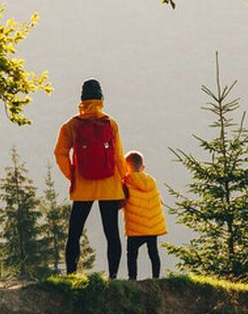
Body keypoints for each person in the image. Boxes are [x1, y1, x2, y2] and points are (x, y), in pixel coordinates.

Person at [55, 78, 127, 277]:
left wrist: (73, 175)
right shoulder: (110, 124)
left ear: (82, 101)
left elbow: (60, 153)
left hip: (83, 186)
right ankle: (112, 278)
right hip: (110, 185)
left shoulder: (71, 125)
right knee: (112, 234)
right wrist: (124, 179)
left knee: (75, 233)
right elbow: (119, 157)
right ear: (101, 99)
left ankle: (71, 276)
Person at [122, 150, 167, 280]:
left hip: (136, 227)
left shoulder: (126, 183)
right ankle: (156, 277)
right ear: (143, 167)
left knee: (132, 253)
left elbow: (121, 202)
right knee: (153, 251)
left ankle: (132, 279)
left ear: (127, 167)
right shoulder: (152, 182)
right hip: (153, 225)